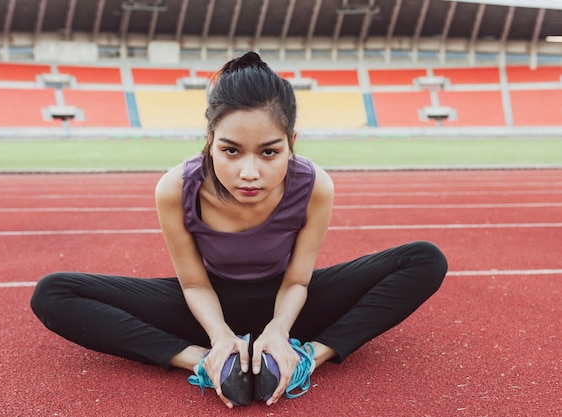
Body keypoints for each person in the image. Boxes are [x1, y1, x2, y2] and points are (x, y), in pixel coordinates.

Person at [30, 51, 448, 409]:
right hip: (205, 309)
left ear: (291, 141)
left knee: (424, 259)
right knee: (54, 292)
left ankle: (304, 358)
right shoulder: (175, 188)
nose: (250, 173)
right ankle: (205, 362)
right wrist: (219, 341)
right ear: (210, 140)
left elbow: (298, 281)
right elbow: (193, 286)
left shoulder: (315, 185)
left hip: (290, 306)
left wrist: (280, 331)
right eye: (231, 151)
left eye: (270, 152)